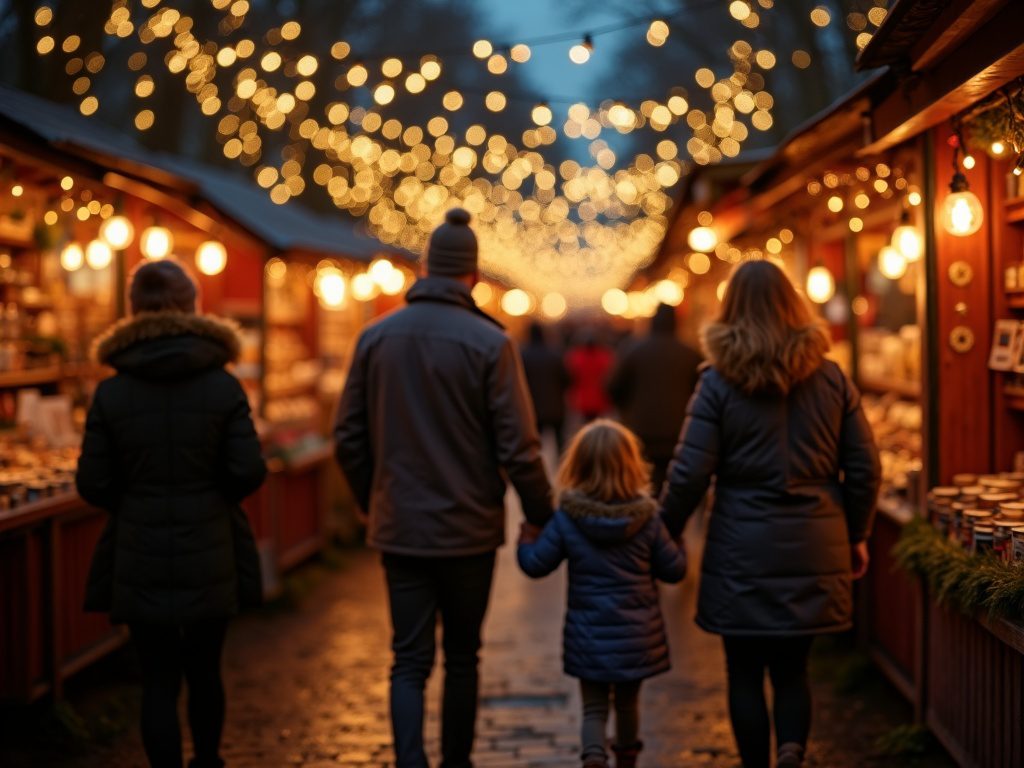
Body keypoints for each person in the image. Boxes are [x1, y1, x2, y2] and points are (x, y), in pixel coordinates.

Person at [334, 208, 553, 768]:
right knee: (462, 657)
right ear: (473, 277)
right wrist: (539, 515)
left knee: (407, 659)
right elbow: (519, 446)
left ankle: (411, 760)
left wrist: (371, 501)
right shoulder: (490, 343)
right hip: (468, 530)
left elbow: (349, 437)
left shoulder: (375, 338)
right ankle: (456, 762)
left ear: (425, 268)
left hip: (400, 525)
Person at [660, 260, 881, 768]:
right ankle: (792, 753)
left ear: (730, 309)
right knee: (794, 670)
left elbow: (690, 471)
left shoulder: (716, 384)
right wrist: (857, 534)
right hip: (814, 540)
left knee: (742, 671)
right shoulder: (831, 379)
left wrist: (665, 532)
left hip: (741, 545)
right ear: (794, 305)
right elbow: (865, 466)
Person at [77, 259, 267, 768]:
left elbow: (92, 483)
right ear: (193, 308)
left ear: (133, 310)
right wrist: (210, 495)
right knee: (206, 670)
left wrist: (135, 501)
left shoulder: (111, 391)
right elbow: (248, 470)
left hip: (139, 552)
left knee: (157, 678)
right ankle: (208, 762)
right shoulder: (224, 386)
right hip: (211, 549)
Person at [518, 420, 686, 768]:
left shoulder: (568, 519)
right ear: (632, 465)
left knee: (594, 707)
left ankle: (593, 756)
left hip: (588, 635)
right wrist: (679, 544)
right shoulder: (649, 519)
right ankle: (626, 759)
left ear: (577, 466)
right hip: (636, 638)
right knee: (627, 704)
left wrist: (526, 539)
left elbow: (536, 565)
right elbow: (674, 571)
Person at [608, 302, 702, 490]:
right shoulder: (691, 354)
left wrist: (627, 411)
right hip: (680, 432)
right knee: (673, 486)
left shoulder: (634, 350)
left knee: (645, 486)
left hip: (641, 432)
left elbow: (613, 388)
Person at [520, 320, 570, 453]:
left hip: (533, 406)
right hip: (555, 406)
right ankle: (562, 467)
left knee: (535, 444)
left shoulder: (523, 355)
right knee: (560, 442)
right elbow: (566, 379)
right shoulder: (555, 354)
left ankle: (537, 468)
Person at [566, 328, 613, 423]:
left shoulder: (576, 357)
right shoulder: (605, 357)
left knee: (586, 424)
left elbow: (571, 377)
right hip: (601, 397)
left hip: (582, 398)